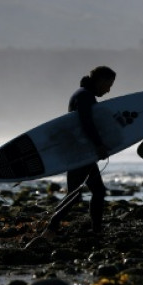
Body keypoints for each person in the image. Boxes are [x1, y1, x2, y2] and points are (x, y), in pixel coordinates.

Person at [42, 65, 116, 237]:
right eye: (109, 85)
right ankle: (52, 228)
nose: (109, 90)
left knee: (92, 192)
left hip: (80, 152)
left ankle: (94, 229)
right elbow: (86, 123)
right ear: (101, 81)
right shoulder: (84, 96)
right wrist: (98, 145)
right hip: (79, 153)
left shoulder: (82, 94)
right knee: (80, 194)